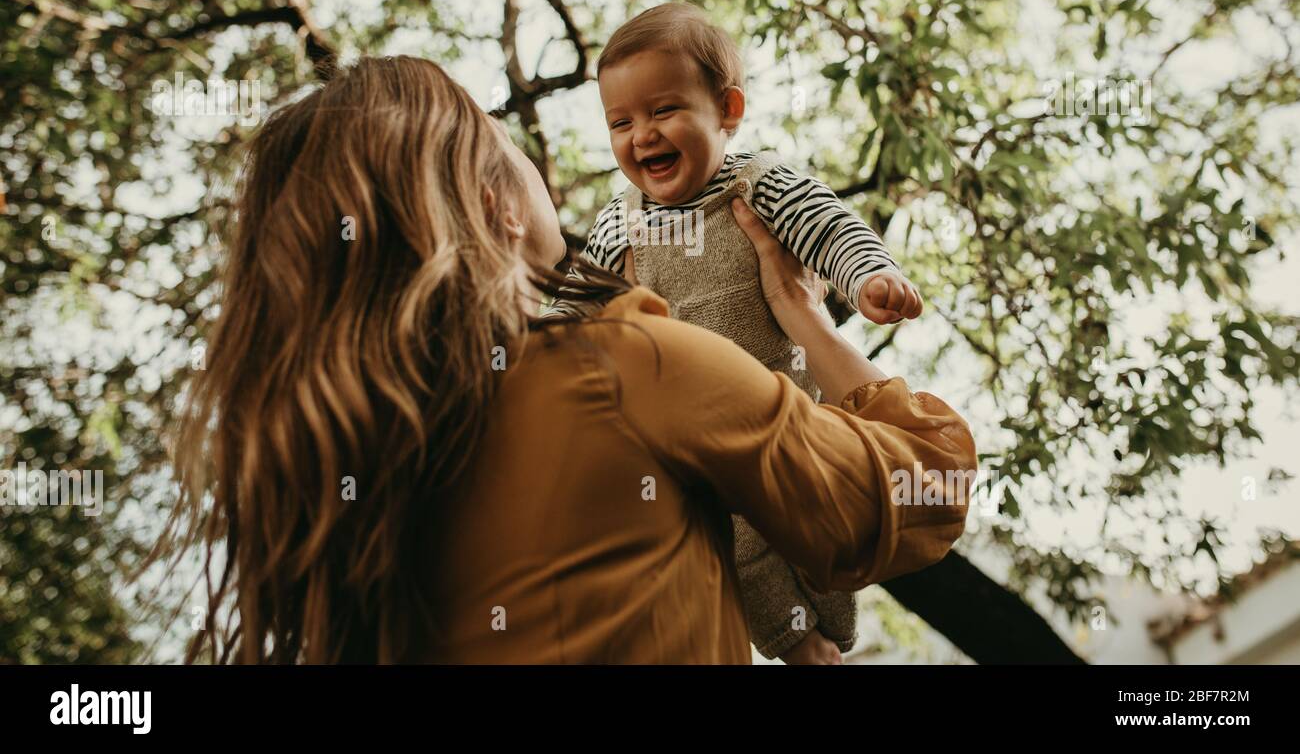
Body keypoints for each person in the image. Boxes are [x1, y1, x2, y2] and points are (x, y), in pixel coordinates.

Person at [160, 55, 975, 664]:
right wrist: (807, 321)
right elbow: (919, 490)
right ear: (493, 203)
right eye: (504, 140)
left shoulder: (348, 488)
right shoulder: (622, 366)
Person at [551, 1, 923, 661]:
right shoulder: (619, 222)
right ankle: (794, 641)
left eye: (664, 111)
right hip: (693, 439)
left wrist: (868, 279)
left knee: (814, 525)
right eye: (620, 122)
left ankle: (832, 626)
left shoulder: (762, 185)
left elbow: (832, 227)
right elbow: (572, 313)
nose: (642, 136)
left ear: (727, 110)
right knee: (736, 546)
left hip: (785, 410)